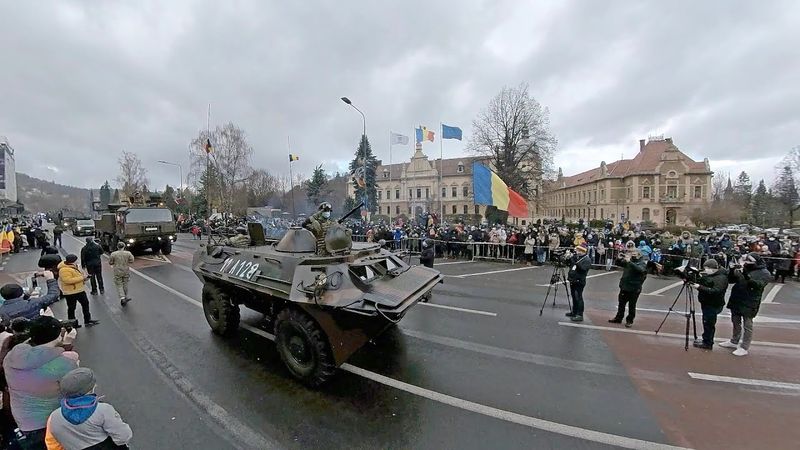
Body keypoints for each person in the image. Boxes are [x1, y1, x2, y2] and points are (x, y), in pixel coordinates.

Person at [4, 316, 79, 449]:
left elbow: (34, 351)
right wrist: (67, 343)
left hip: (25, 422)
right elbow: (76, 389)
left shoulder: (12, 357)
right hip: (52, 423)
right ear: (58, 336)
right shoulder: (63, 363)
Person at [45, 368, 133, 450]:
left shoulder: (53, 418)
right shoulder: (103, 410)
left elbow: (53, 445)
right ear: (89, 390)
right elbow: (123, 436)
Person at [718, 252, 771, 356]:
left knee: (747, 324)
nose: (746, 262)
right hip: (737, 298)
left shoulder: (764, 273)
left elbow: (758, 285)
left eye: (749, 260)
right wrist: (732, 270)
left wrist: (746, 276)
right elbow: (731, 280)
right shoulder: (743, 268)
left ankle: (744, 346)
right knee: (735, 321)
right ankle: (734, 341)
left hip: (750, 300)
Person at [691, 259, 728, 350]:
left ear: (713, 268)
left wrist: (699, 287)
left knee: (709, 323)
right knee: (706, 322)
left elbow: (715, 291)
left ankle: (708, 343)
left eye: (707, 268)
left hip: (713, 303)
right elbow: (706, 283)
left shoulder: (721, 278)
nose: (706, 270)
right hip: (707, 302)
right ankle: (706, 339)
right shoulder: (712, 275)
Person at [57, 255, 99, 328]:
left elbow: (79, 277)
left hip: (79, 290)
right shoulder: (64, 270)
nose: (77, 261)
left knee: (85, 304)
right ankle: (72, 323)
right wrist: (82, 277)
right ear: (72, 261)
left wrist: (86, 278)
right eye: (76, 260)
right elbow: (67, 280)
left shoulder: (75, 267)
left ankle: (87, 320)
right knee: (72, 308)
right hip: (70, 292)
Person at [609, 249, 647, 328]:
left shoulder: (642, 263)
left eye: (634, 254)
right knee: (621, 303)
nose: (633, 255)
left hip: (634, 287)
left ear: (639, 255)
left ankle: (629, 320)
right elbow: (619, 264)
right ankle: (618, 318)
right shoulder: (629, 261)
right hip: (625, 286)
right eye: (632, 253)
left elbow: (640, 270)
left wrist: (629, 262)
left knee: (632, 305)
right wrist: (619, 259)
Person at [566, 243, 591, 322]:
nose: (576, 251)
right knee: (574, 297)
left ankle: (580, 314)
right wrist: (568, 258)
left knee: (578, 297)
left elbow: (583, 269)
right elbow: (569, 264)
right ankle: (574, 312)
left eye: (578, 250)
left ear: (582, 251)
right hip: (573, 279)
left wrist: (576, 262)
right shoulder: (576, 257)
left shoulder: (587, 259)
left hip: (579, 280)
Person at [109, 242, 134, 306]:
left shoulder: (113, 254)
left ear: (117, 247)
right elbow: (132, 260)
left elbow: (110, 262)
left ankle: (122, 298)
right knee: (125, 283)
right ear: (124, 246)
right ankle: (125, 296)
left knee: (119, 284)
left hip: (117, 271)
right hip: (126, 270)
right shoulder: (128, 253)